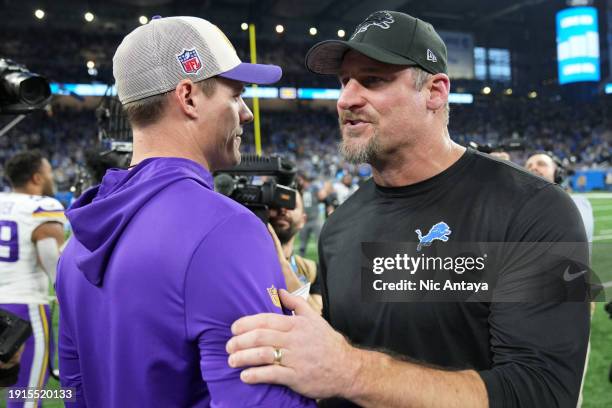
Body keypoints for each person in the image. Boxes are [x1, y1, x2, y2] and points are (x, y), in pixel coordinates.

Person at [226, 11, 590, 407]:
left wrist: (351, 371)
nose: (346, 99)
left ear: (435, 91)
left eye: (373, 79)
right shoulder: (340, 228)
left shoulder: (534, 209)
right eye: (344, 82)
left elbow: (544, 394)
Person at [56, 16, 314, 407]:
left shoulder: (79, 240)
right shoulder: (226, 228)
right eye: (236, 94)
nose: (246, 112)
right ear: (189, 96)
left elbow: (74, 392)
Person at [0, 151, 65, 407]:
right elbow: (49, 255)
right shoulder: (43, 206)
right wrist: (63, 289)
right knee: (26, 396)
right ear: (37, 178)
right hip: (23, 307)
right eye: (49, 173)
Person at [269, 190, 323, 313]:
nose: (283, 209)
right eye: (275, 204)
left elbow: (316, 319)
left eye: (291, 204)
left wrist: (283, 265)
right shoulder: (246, 265)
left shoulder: (311, 270)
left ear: (303, 220)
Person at [525, 152, 594, 242]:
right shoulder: (522, 207)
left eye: (541, 164)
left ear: (558, 173)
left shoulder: (579, 202)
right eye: (528, 166)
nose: (533, 168)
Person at [298, 174, 324, 256]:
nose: (299, 182)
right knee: (302, 245)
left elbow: (322, 196)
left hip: (315, 219)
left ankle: (323, 263)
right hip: (304, 220)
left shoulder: (314, 188)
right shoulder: (298, 190)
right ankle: (300, 265)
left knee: (320, 242)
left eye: (300, 179)